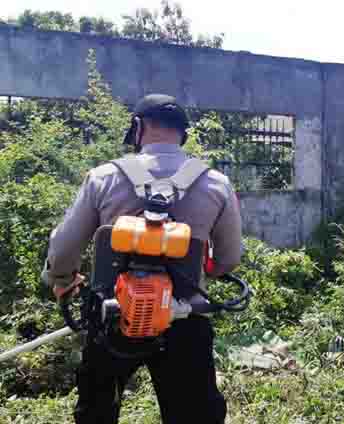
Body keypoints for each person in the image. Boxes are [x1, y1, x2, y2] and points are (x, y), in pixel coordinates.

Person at [42, 94, 243, 424]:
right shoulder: (216, 183)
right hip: (184, 319)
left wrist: (63, 281)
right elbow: (229, 258)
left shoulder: (103, 177)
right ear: (183, 134)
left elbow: (63, 250)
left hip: (112, 319)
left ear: (137, 127)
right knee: (195, 415)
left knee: (97, 413)